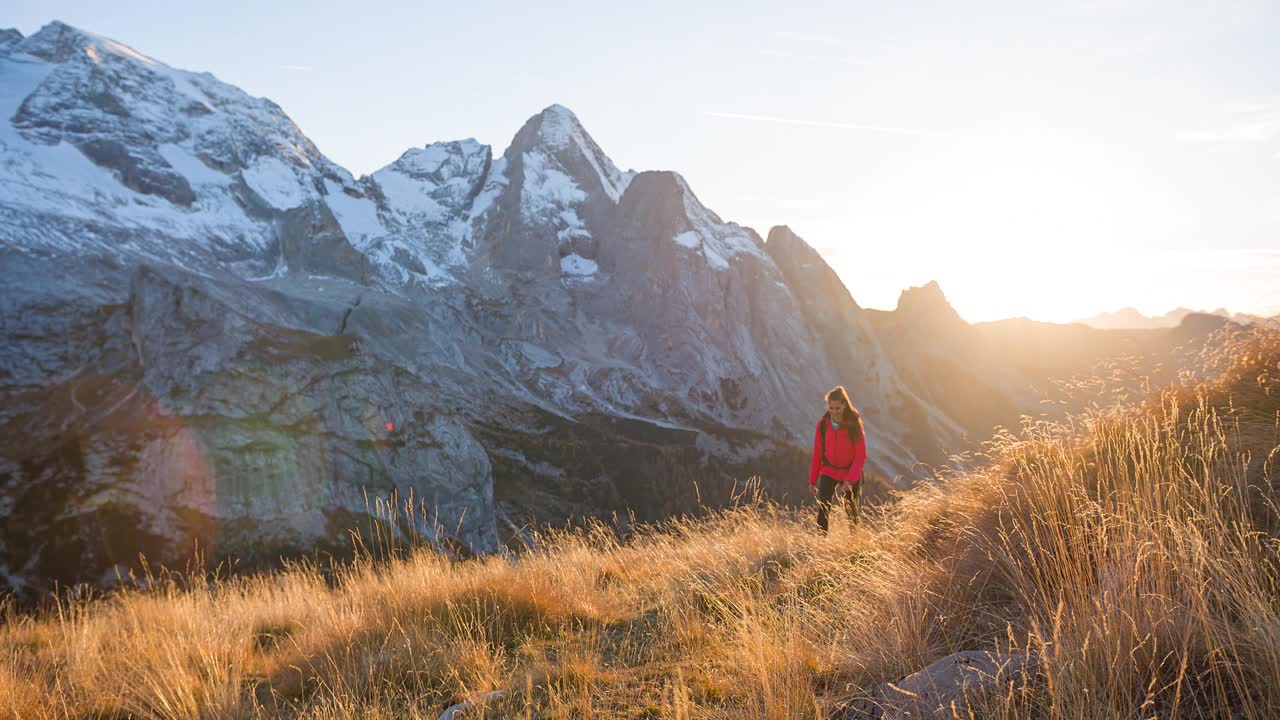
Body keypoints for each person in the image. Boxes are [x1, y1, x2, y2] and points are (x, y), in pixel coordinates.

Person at [809, 386, 867, 533]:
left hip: (849, 472)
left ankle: (855, 543)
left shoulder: (854, 425)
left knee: (851, 510)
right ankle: (820, 545)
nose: (834, 412)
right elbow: (817, 453)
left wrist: (850, 480)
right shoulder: (822, 425)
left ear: (844, 405)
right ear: (827, 406)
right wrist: (812, 481)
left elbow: (860, 456)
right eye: (831, 408)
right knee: (823, 509)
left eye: (838, 408)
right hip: (829, 471)